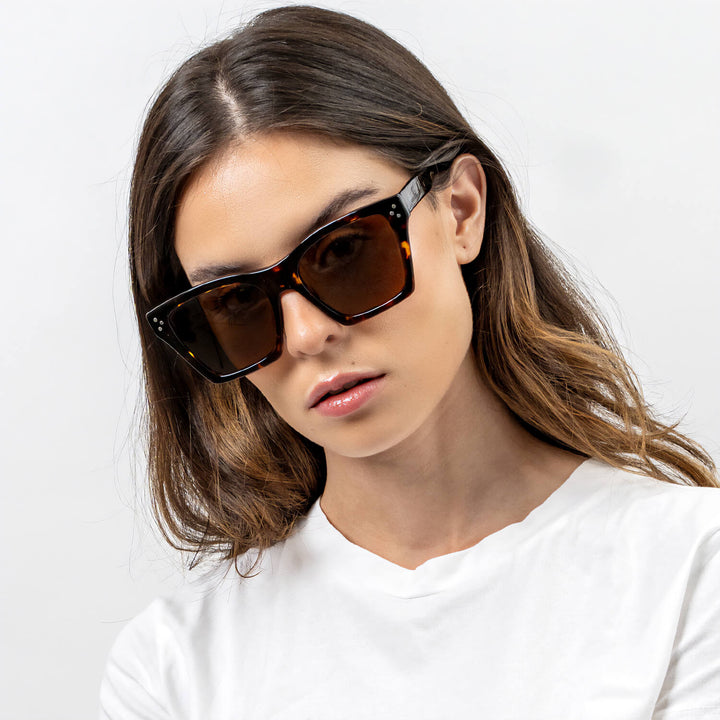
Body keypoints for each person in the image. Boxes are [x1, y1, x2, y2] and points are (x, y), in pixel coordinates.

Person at [100, 5, 720, 718]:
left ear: (461, 210)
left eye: (343, 250)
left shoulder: (689, 573)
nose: (306, 335)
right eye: (237, 301)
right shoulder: (174, 670)